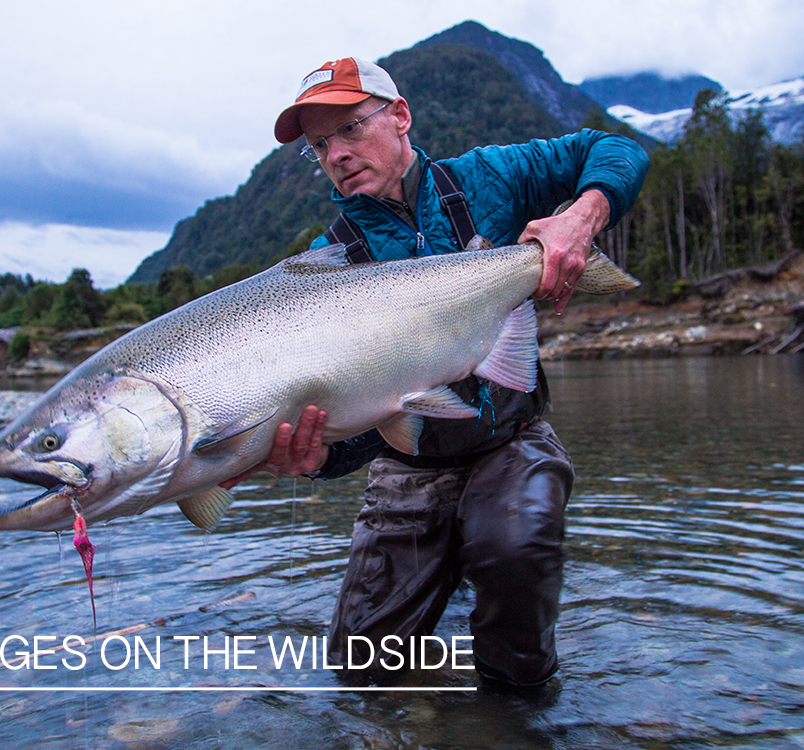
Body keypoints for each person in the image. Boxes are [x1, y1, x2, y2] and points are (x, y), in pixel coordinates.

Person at [229, 57, 648, 687]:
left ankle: (514, 719)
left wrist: (580, 218)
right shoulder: (326, 268)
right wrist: (317, 458)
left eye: (349, 129)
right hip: (410, 465)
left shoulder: (489, 177)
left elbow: (615, 149)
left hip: (512, 440)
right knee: (363, 673)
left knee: (514, 560)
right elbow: (361, 432)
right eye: (319, 146)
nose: (336, 154)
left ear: (400, 117)